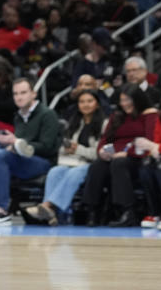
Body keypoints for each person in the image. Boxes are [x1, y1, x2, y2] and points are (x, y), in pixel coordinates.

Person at [0, 77, 61, 226]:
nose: (19, 97)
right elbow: (18, 144)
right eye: (15, 94)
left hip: (42, 162)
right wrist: (11, 144)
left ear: (33, 94)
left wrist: (17, 143)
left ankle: (2, 212)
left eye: (23, 93)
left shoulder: (47, 114)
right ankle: (2, 167)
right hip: (20, 155)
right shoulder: (18, 116)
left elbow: (47, 148)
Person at [22, 90, 107, 225]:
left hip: (93, 164)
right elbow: (64, 147)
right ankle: (49, 213)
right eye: (82, 102)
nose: (85, 105)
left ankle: (48, 207)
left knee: (75, 172)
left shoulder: (104, 124)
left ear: (97, 104)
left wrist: (78, 149)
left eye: (90, 101)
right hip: (72, 161)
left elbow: (100, 153)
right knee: (55, 171)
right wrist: (67, 150)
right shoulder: (74, 122)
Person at [81, 83, 157, 226]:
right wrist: (102, 151)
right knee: (97, 166)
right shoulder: (117, 115)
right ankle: (92, 210)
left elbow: (150, 141)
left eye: (128, 100)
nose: (125, 104)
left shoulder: (148, 114)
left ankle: (127, 211)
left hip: (137, 157)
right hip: (114, 154)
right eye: (122, 100)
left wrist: (127, 153)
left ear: (138, 99)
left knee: (119, 164)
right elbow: (105, 140)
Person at [136, 78, 161, 229]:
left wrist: (158, 147)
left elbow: (158, 145)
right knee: (146, 166)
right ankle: (155, 213)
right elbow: (156, 143)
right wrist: (151, 147)